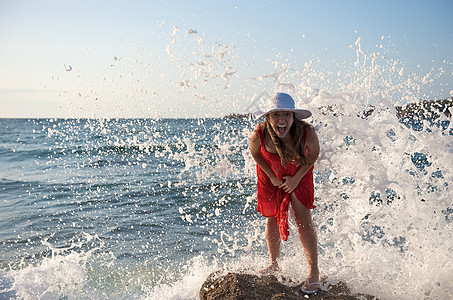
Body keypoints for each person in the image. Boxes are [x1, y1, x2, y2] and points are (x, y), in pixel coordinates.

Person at [250, 92, 320, 294]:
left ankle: (313, 272)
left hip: (300, 168)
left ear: (293, 117)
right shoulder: (259, 133)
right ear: (268, 118)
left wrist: (296, 178)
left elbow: (313, 156)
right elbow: (255, 153)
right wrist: (271, 176)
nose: (281, 119)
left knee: (303, 218)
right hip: (270, 170)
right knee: (272, 215)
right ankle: (274, 264)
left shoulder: (307, 132)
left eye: (286, 115)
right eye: (276, 115)